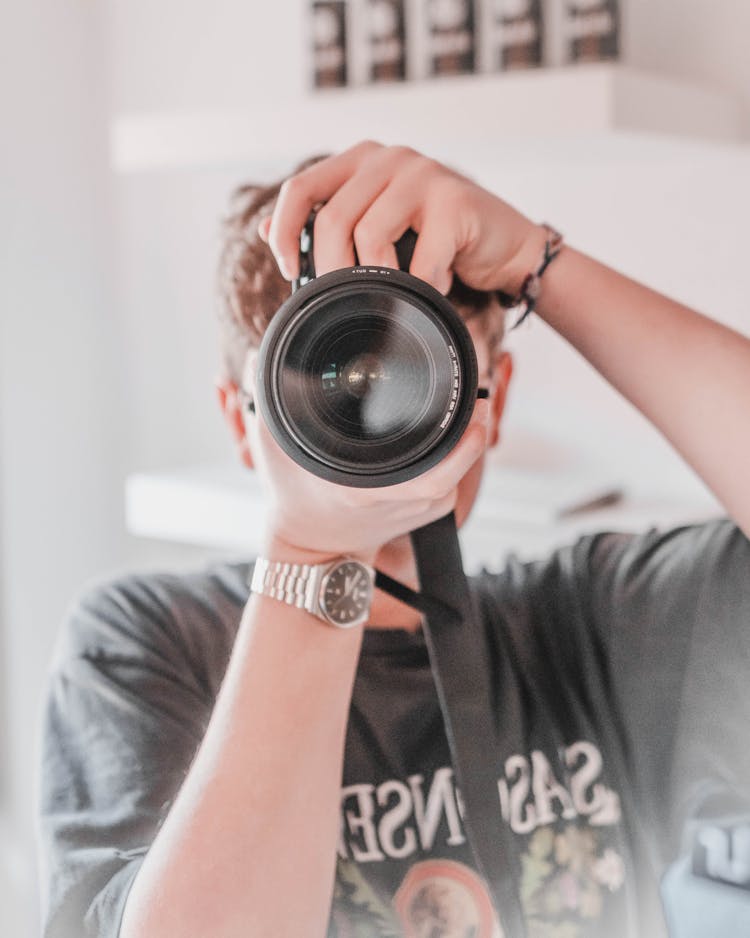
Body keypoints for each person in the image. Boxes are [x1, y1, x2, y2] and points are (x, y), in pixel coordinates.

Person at [37, 141, 750, 938]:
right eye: (331, 389)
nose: (379, 425)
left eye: (421, 376)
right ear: (245, 423)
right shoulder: (143, 644)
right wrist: (311, 552)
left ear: (494, 396)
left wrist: (539, 262)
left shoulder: (591, 619)